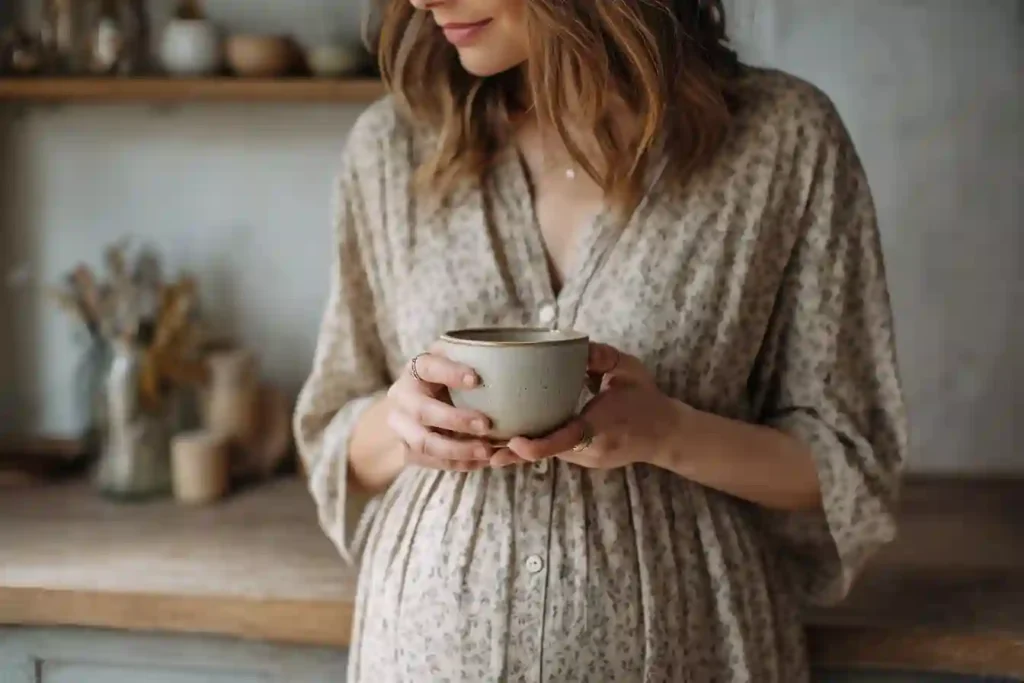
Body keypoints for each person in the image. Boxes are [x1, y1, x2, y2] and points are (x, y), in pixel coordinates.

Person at [293, 0, 908, 680]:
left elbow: (849, 465)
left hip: (691, 648)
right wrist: (402, 422)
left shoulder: (781, 141)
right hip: (422, 651)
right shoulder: (391, 146)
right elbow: (336, 437)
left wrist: (668, 432)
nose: (420, 1)